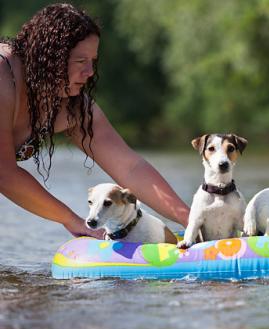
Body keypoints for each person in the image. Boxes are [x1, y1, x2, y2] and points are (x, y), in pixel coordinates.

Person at [0, 3, 190, 239]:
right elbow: (4, 173)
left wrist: (191, 220)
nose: (90, 71)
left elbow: (130, 168)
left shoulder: (71, 105)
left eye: (93, 61)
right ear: (48, 58)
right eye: (81, 61)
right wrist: (73, 220)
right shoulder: (3, 76)